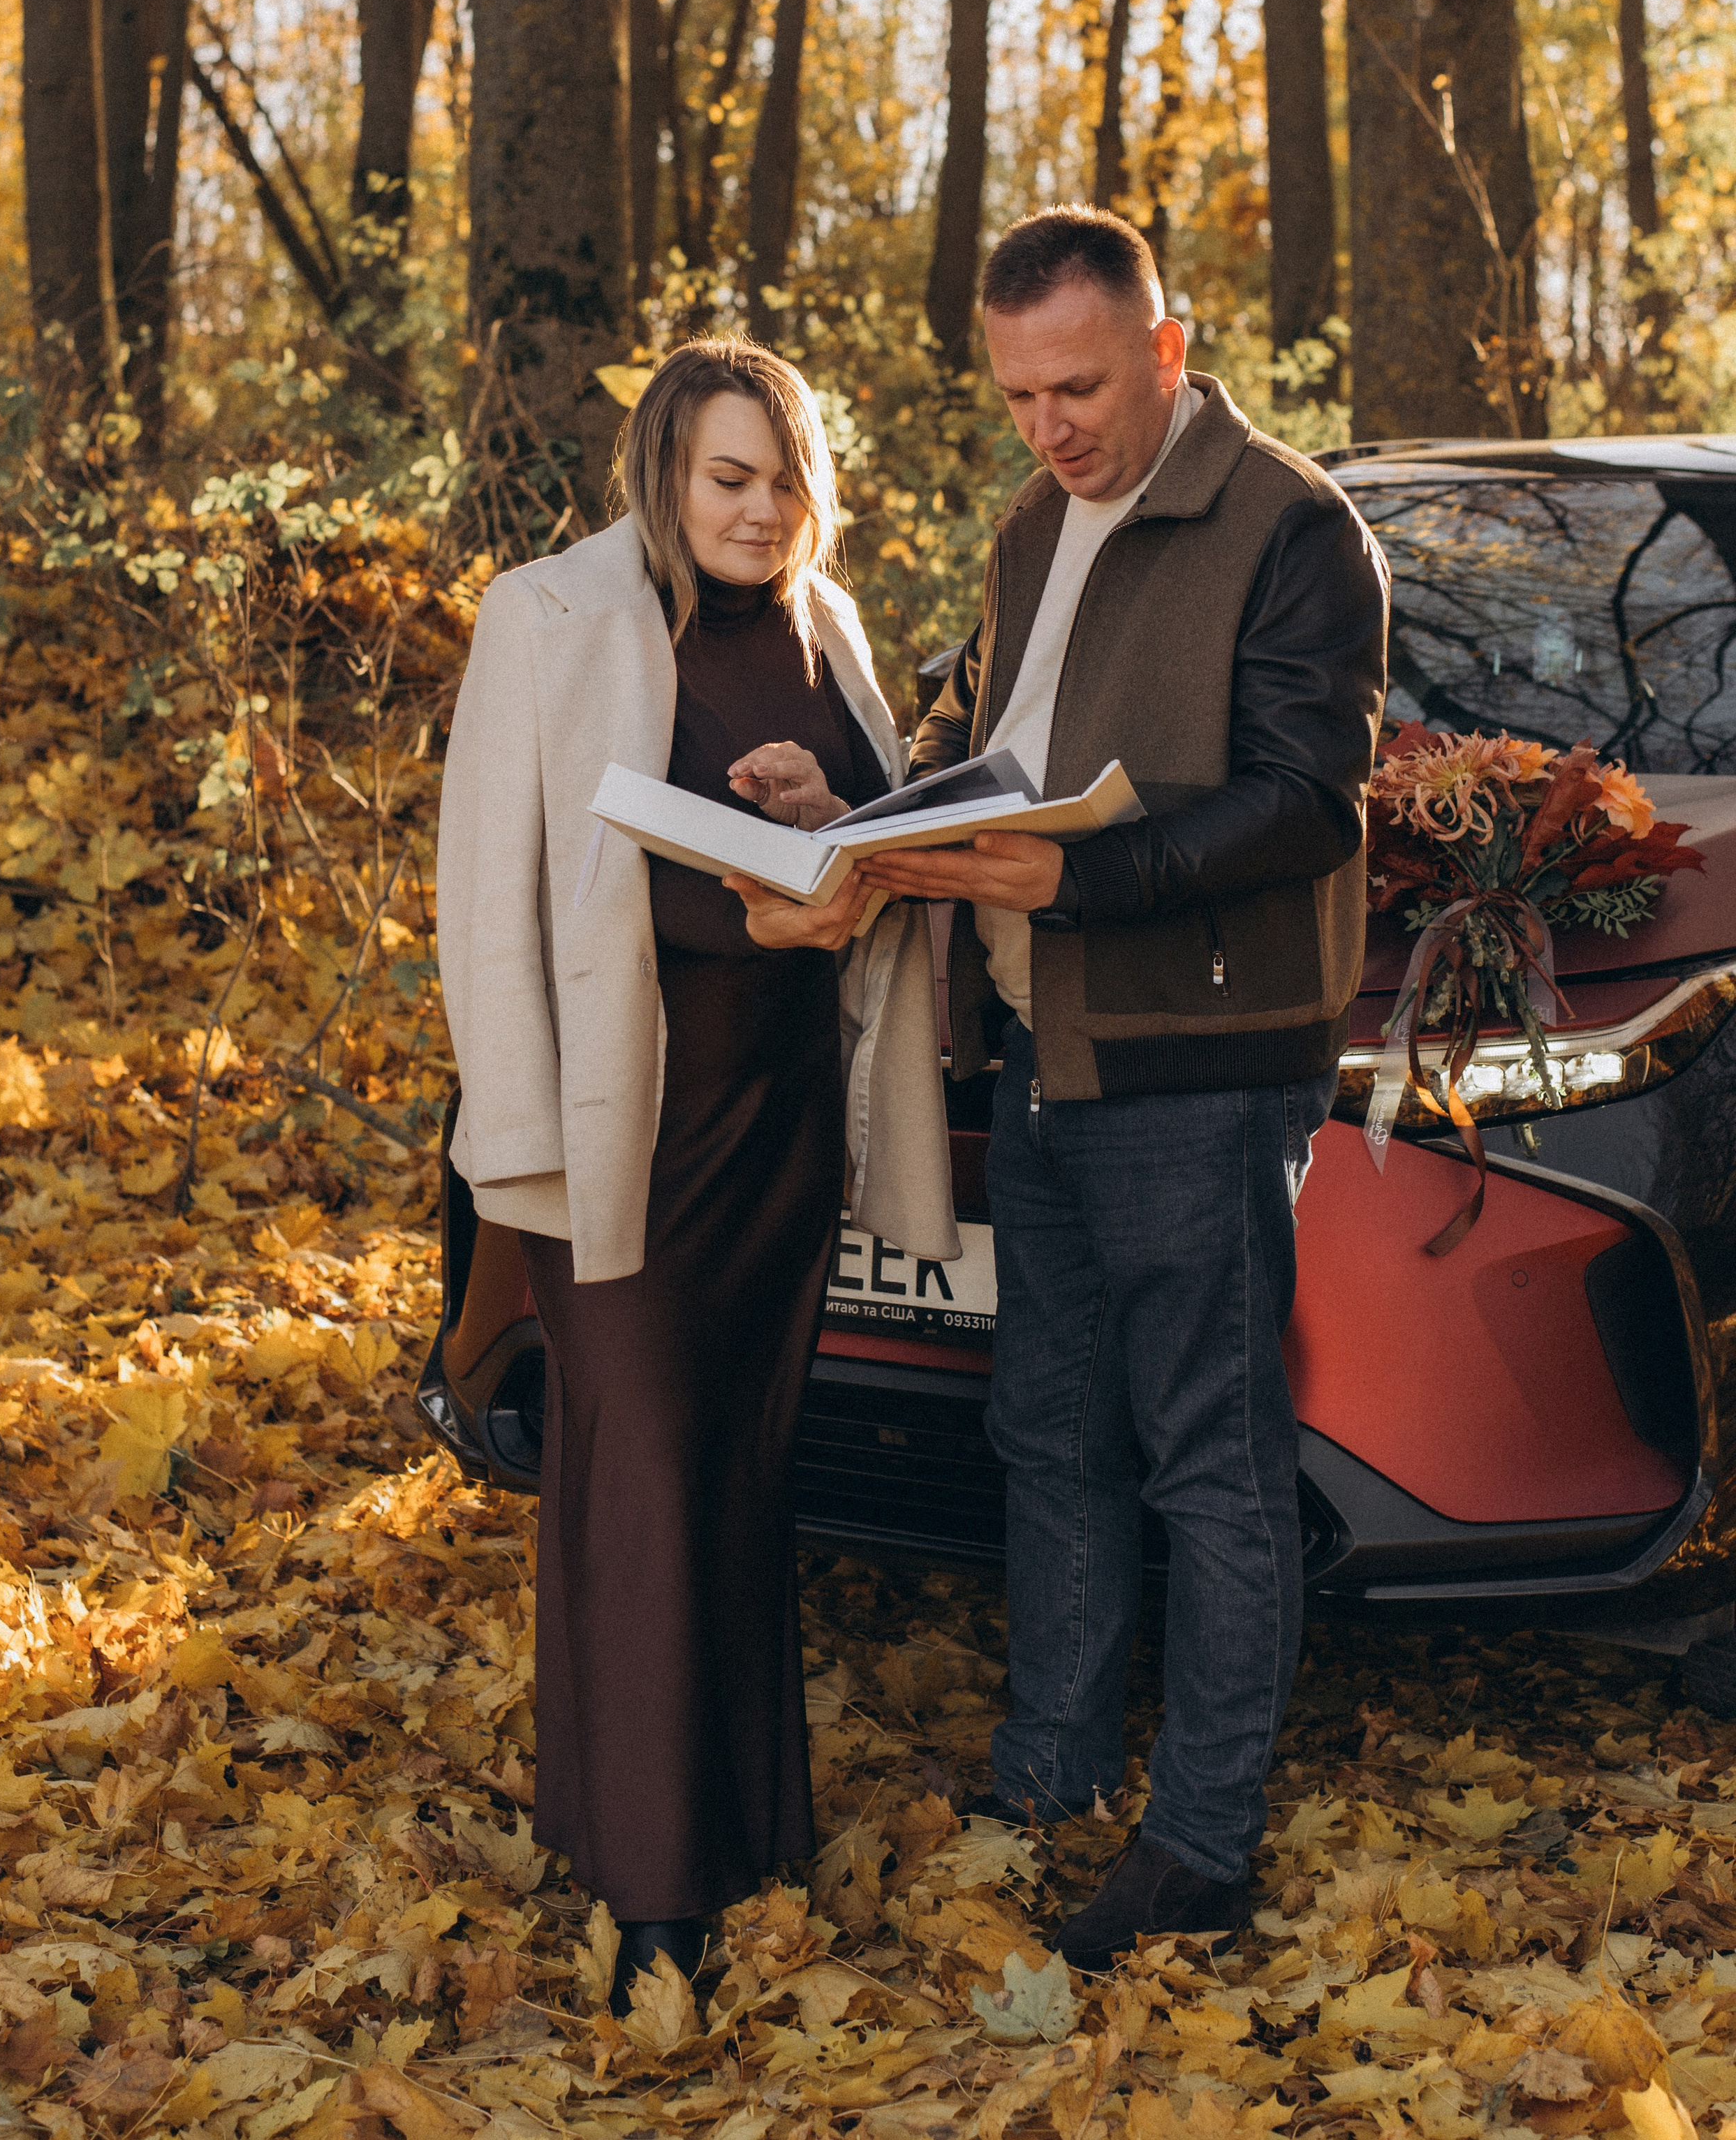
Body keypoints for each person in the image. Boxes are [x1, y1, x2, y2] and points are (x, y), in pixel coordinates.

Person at [867, 207, 1387, 1963]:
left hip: (1198, 1072)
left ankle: (1201, 1845)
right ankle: (1049, 1772)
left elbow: (1307, 800)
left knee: (1208, 1463)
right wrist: (860, 812)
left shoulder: (1290, 527)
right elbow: (975, 736)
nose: (1048, 427)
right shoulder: (1033, 522)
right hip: (1043, 1053)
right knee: (1046, 1433)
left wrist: (1078, 878)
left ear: (1164, 350)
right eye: (1017, 396)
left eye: (1078, 388)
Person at [435, 338, 957, 2008]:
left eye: (788, 478)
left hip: (777, 1126)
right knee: (644, 1465)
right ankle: (655, 1892)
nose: (761, 509)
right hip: (623, 1135)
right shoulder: (548, 614)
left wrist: (830, 808)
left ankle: (732, 1823)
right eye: (729, 478)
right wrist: (511, 1136)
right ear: (662, 472)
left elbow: (877, 842)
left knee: (738, 1466)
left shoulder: (826, 624)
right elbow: (491, 898)